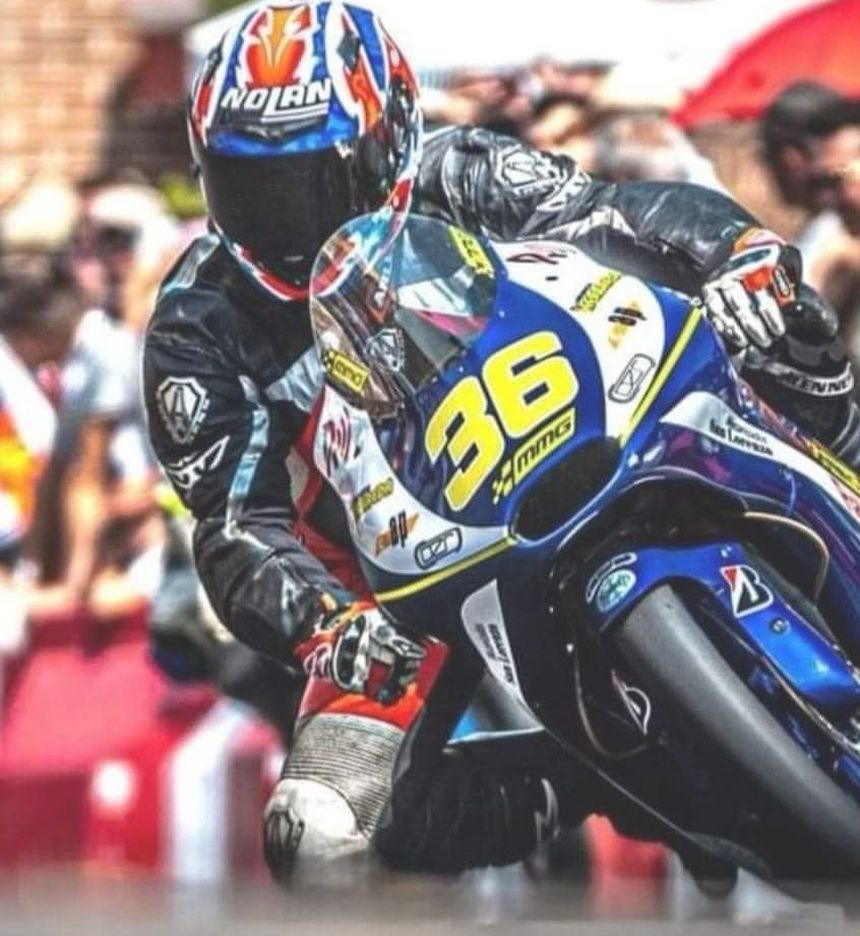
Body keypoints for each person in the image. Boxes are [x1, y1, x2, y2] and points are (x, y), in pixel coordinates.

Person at [143, 1, 860, 879]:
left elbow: (612, 213)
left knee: (778, 307)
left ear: (385, 139)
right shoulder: (198, 325)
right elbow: (234, 526)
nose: (283, 222)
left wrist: (735, 252)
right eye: (247, 186)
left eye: (310, 183)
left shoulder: (460, 170)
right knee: (322, 837)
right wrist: (324, 625)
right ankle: (597, 782)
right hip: (392, 579)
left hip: (582, 415)